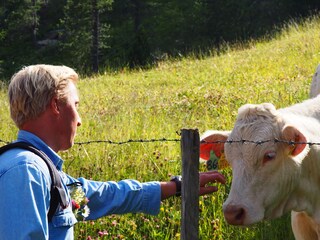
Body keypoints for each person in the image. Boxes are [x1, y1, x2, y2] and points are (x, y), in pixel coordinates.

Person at [0, 64, 225, 239]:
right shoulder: (26, 171)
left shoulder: (49, 175)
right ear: (56, 105)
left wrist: (176, 187)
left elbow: (100, 198)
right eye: (75, 105)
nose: (79, 120)